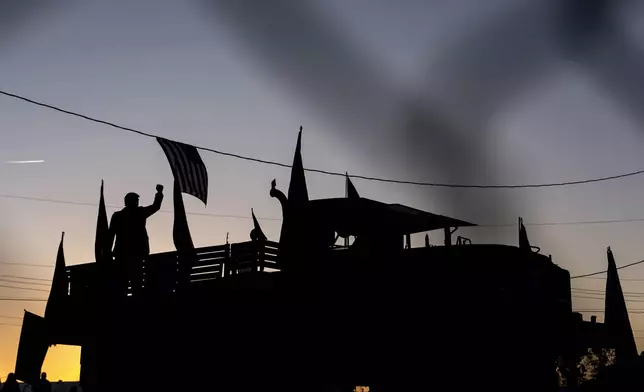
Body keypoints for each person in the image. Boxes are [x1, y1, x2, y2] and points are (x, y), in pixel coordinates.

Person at [108, 185, 164, 297]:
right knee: (134, 283)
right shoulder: (139, 213)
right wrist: (159, 193)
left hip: (123, 254)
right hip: (135, 254)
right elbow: (155, 206)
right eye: (136, 200)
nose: (137, 202)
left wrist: (108, 252)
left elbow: (110, 236)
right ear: (130, 201)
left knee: (125, 284)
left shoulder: (118, 216)